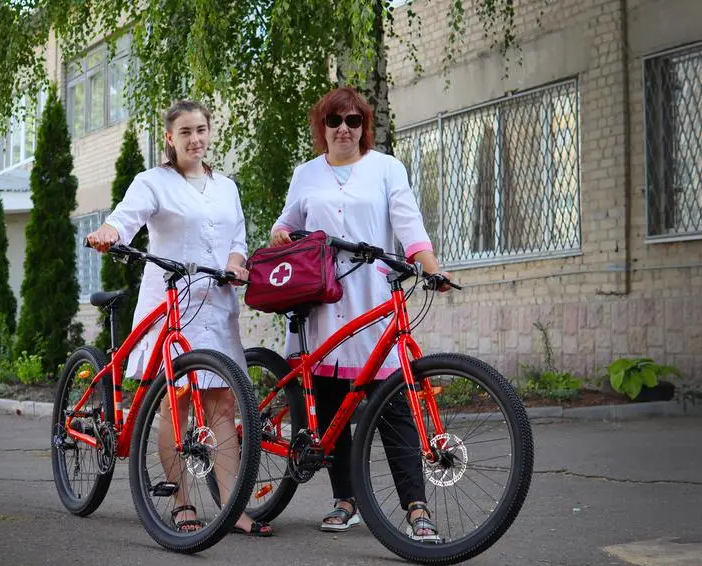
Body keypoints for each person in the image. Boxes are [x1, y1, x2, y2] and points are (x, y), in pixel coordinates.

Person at [269, 87, 451, 540]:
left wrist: (431, 268)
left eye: (353, 121)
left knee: (393, 407)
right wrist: (280, 237)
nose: (344, 129)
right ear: (323, 127)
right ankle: (345, 500)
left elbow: (409, 225)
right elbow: (285, 223)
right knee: (333, 409)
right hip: (321, 304)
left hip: (373, 300)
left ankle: (416, 508)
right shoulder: (306, 174)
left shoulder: (387, 168)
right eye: (335, 121)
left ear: (363, 126)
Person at [86, 100, 272, 537]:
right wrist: (108, 235)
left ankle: (231, 507)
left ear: (210, 133)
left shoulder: (226, 186)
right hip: (170, 301)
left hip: (217, 303)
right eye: (185, 132)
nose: (195, 139)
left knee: (224, 403)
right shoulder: (153, 182)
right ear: (170, 138)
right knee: (179, 401)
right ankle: (181, 502)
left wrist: (236, 261)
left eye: (201, 130)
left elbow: (238, 237)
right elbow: (125, 220)